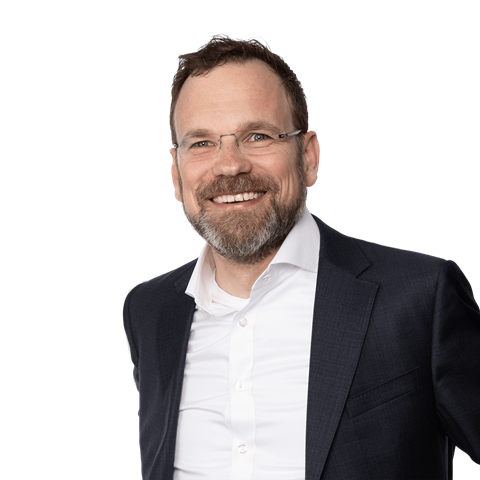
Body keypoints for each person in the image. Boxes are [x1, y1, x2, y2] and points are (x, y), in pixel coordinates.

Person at [122, 35, 479, 480]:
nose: (229, 165)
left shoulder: (420, 297)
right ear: (176, 174)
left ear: (308, 157)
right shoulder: (150, 309)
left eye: (257, 136)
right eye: (201, 143)